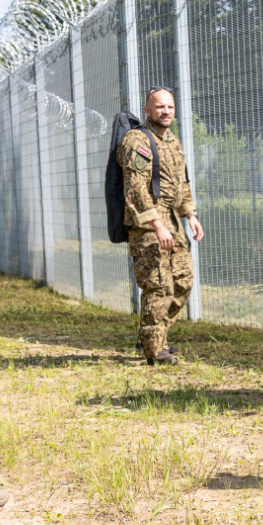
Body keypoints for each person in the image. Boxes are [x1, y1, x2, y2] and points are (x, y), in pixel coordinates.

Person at [116, 87, 202, 365]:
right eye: (160, 107)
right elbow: (136, 188)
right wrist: (156, 225)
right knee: (158, 285)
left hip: (172, 219)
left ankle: (155, 335)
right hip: (147, 223)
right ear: (147, 110)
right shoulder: (137, 140)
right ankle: (154, 348)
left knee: (183, 281)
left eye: (170, 107)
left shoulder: (172, 142)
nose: (166, 111)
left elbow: (182, 184)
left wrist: (190, 215)